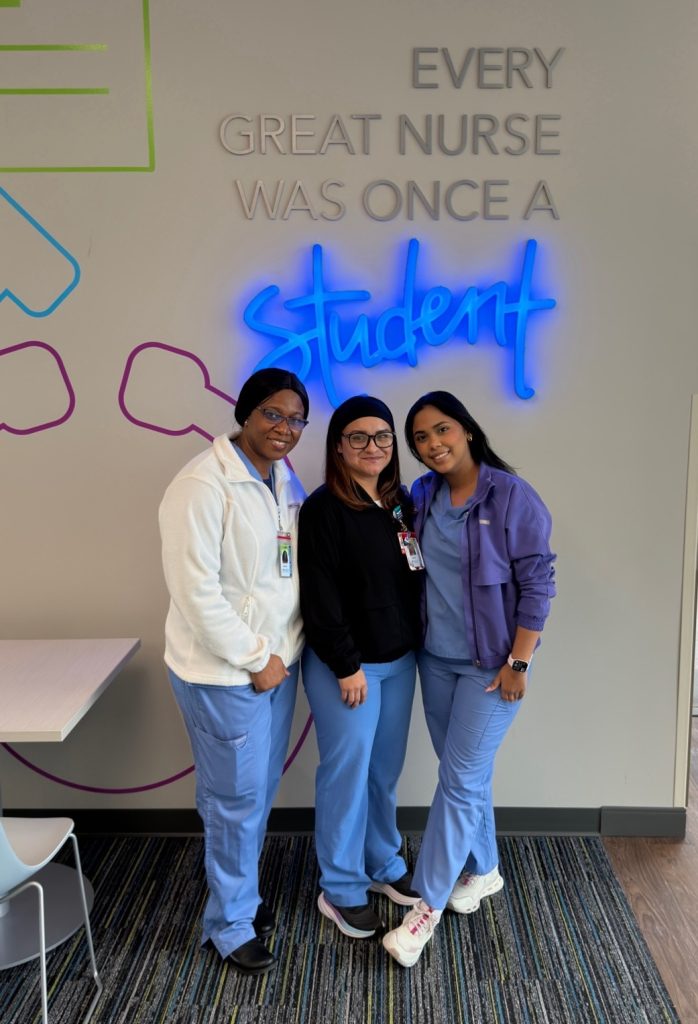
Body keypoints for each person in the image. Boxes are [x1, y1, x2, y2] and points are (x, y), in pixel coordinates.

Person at [383, 391, 556, 967]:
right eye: (421, 438)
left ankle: (424, 909)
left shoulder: (510, 496)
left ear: (468, 430)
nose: (433, 444)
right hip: (435, 660)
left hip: (492, 668)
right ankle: (484, 869)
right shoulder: (423, 496)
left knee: (458, 781)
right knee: (463, 775)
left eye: (442, 429)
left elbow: (538, 584)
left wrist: (519, 663)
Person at [158, 368, 309, 975]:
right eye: (273, 413)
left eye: (296, 419)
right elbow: (195, 593)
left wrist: (284, 653)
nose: (285, 428)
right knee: (236, 800)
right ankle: (229, 924)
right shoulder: (201, 483)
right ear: (245, 412)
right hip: (227, 673)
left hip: (277, 665)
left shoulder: (283, 478)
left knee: (253, 792)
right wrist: (255, 657)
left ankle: (237, 895)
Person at [298, 395, 423, 939]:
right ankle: (341, 887)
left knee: (383, 772)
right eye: (358, 437)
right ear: (338, 446)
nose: (373, 446)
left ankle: (383, 863)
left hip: (400, 662)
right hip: (347, 669)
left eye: (383, 436)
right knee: (346, 776)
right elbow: (320, 596)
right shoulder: (324, 509)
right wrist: (346, 665)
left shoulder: (400, 504)